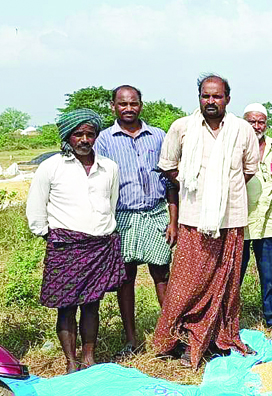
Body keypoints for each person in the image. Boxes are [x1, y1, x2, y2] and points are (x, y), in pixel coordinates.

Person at [152, 74, 260, 365]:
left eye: (217, 96)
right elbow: (168, 167)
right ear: (199, 97)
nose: (211, 101)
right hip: (193, 218)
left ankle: (218, 339)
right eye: (206, 96)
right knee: (189, 285)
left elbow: (249, 168)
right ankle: (183, 338)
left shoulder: (242, 129)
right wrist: (196, 185)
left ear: (228, 98)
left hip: (230, 218)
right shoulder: (182, 127)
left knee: (226, 284)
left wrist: (222, 188)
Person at [26, 110, 124, 373]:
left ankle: (89, 357)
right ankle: (71, 362)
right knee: (66, 306)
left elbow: (111, 204)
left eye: (90, 134)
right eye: (78, 134)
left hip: (99, 245)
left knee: (92, 304)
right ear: (67, 137)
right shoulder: (51, 167)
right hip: (65, 245)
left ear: (96, 137)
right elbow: (36, 206)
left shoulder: (109, 167)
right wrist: (49, 235)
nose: (84, 139)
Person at [93, 85, 175, 358]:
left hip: (155, 212)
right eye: (122, 104)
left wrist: (173, 220)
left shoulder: (158, 136)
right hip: (123, 216)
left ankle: (169, 336)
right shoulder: (104, 140)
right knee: (125, 278)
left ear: (141, 105)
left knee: (162, 274)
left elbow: (170, 179)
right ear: (113, 106)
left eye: (134, 103)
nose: (128, 108)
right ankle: (131, 339)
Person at [240, 102, 272, 341]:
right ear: (244, 122)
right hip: (239, 222)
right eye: (252, 121)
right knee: (234, 275)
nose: (257, 126)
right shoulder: (234, 146)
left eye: (261, 122)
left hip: (269, 220)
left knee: (270, 275)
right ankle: (228, 319)